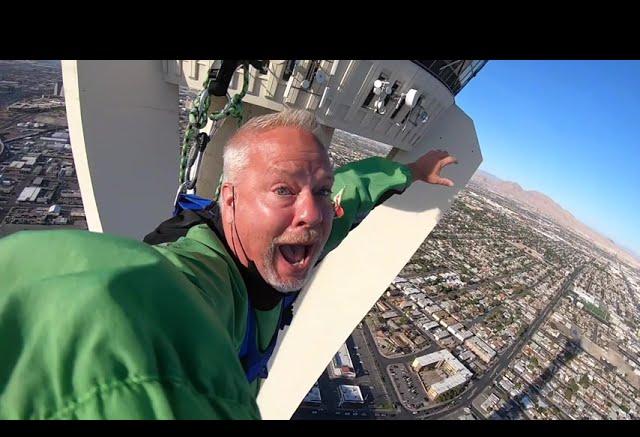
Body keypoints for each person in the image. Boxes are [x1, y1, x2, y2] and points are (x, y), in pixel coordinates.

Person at [0, 109, 456, 419]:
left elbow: (350, 192)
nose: (313, 213)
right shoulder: (206, 274)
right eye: (283, 190)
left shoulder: (293, 232)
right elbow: (127, 306)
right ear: (229, 199)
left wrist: (412, 170)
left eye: (319, 191)